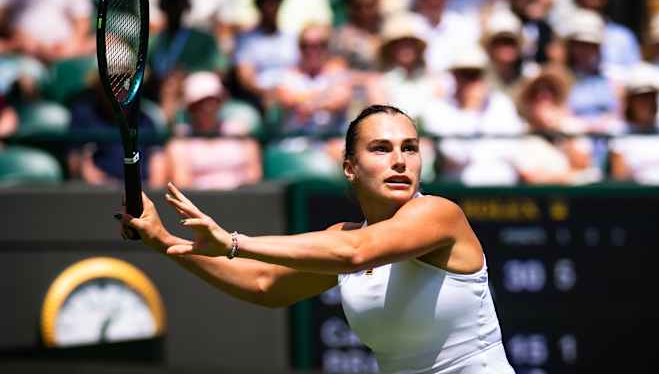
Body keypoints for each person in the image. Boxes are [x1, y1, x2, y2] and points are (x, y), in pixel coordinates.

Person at [117, 104, 516, 373]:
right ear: (349, 167)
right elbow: (264, 284)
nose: (399, 160)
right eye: (381, 148)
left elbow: (356, 254)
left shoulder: (438, 214)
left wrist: (234, 242)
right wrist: (163, 240)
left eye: (409, 149)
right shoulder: (341, 237)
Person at [422, 45, 524, 185]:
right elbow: (457, 155)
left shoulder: (501, 103)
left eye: (476, 74)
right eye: (465, 74)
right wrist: (470, 109)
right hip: (460, 193)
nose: (471, 81)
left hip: (503, 190)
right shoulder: (438, 108)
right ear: (455, 76)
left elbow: (513, 150)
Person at [166, 72, 262, 190]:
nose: (208, 107)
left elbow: (253, 174)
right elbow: (182, 181)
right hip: (198, 204)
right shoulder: (179, 139)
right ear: (191, 106)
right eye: (201, 102)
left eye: (212, 100)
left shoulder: (240, 131)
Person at [233, 0, 298, 108]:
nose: (270, 6)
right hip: (258, 100)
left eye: (275, 1)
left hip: (292, 97)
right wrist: (269, 94)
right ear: (258, 4)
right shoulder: (246, 39)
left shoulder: (292, 37)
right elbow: (246, 78)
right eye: (265, 1)